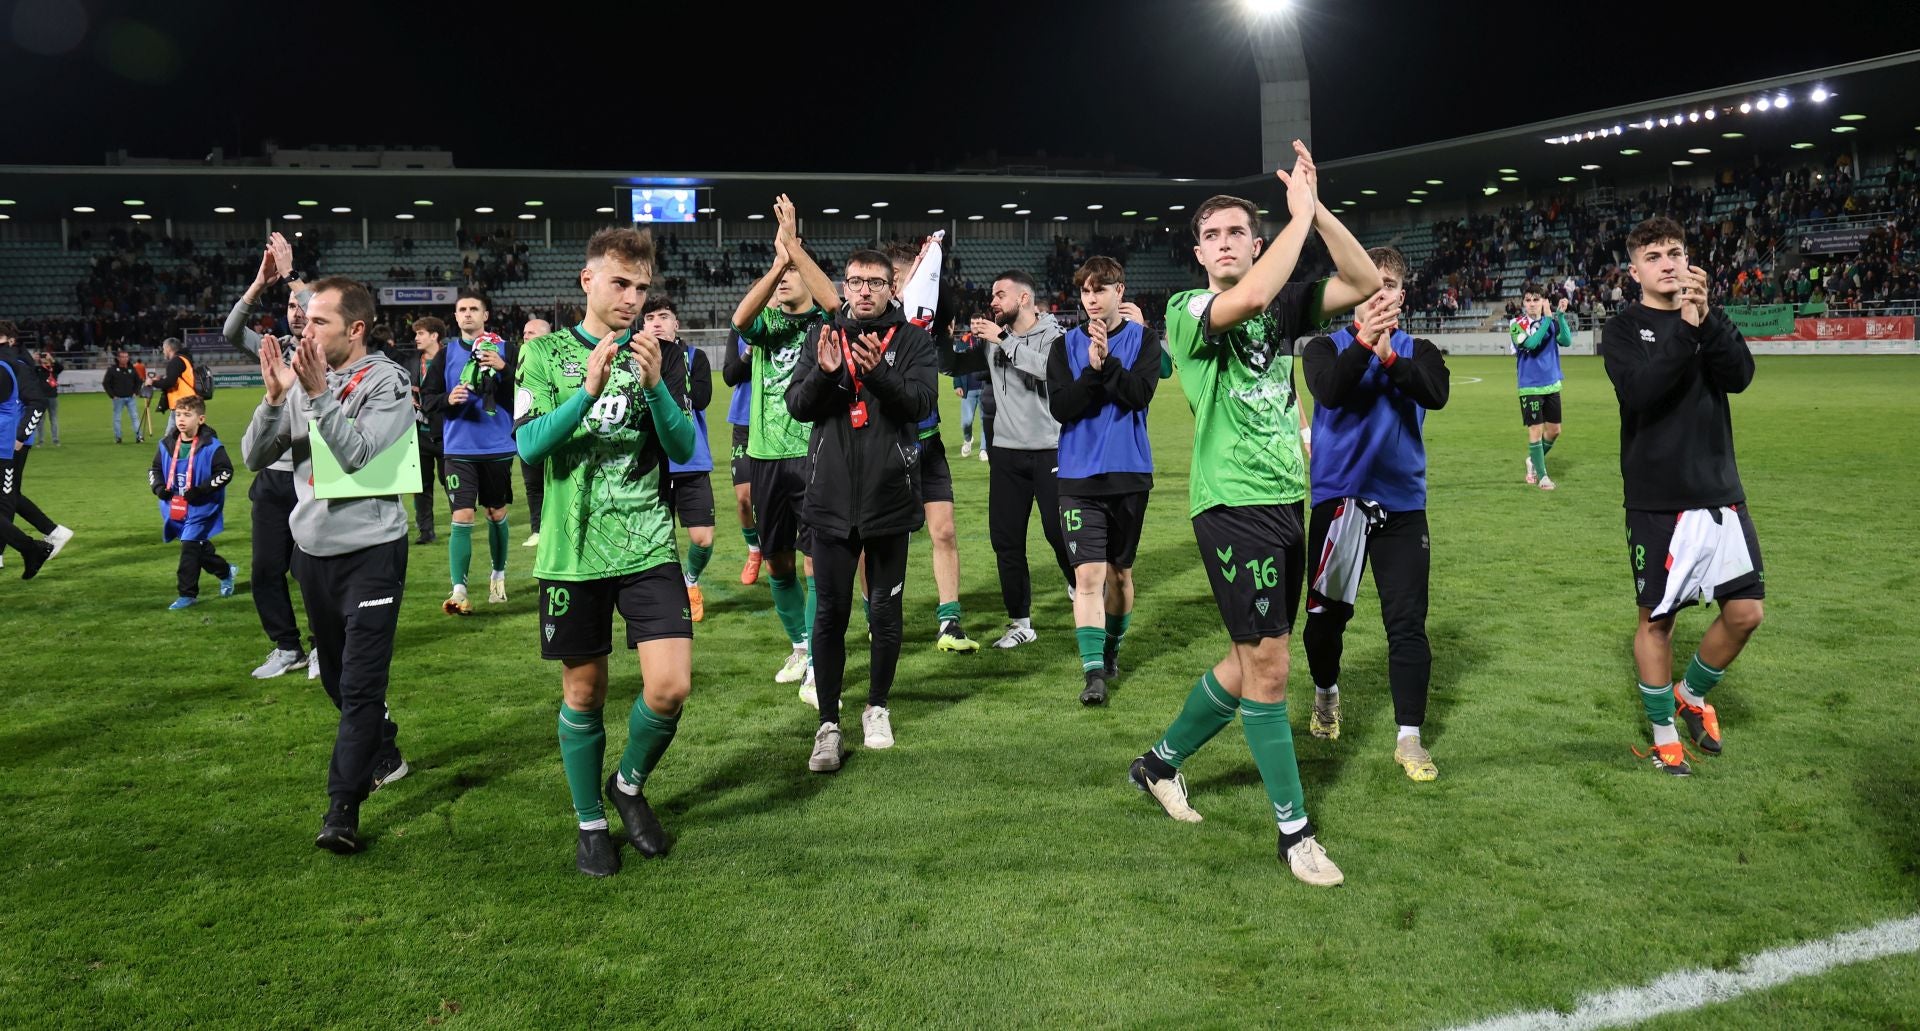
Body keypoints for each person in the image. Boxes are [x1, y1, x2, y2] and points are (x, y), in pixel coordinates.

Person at [1126, 141, 1381, 888]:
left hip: (1284, 499)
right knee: (1272, 666)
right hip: (1229, 502)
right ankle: (1294, 831)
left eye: (1238, 231)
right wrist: (1296, 224)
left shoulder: (1284, 296)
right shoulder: (1186, 309)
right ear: (1198, 251)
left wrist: (1317, 210)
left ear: (1256, 242)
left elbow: (1363, 280)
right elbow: (1248, 301)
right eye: (1213, 235)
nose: (1224, 243)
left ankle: (1158, 764)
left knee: (1248, 659)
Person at [513, 227, 695, 876]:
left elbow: (681, 447)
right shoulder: (544, 354)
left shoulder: (659, 352)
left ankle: (629, 783)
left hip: (647, 542)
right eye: (621, 283)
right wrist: (586, 395)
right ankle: (591, 819)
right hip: (573, 550)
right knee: (584, 692)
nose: (632, 298)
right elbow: (531, 447)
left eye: (642, 288)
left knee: (670, 686)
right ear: (587, 280)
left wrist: (654, 386)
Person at [242, 276, 415, 854]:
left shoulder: (388, 381)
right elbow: (253, 456)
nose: (303, 329)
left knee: (362, 685)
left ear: (356, 329)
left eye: (318, 322)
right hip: (311, 551)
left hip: (372, 551)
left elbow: (361, 456)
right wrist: (273, 400)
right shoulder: (300, 379)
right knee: (338, 679)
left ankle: (342, 811)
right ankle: (383, 749)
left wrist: (316, 395)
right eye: (304, 319)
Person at [1602, 216, 1764, 777]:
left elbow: (1741, 376)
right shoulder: (1623, 330)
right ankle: (1665, 735)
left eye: (1675, 251)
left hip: (1720, 491)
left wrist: (1707, 319)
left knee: (1745, 613)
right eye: (1654, 255)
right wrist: (1688, 331)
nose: (1668, 262)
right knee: (1658, 621)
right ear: (1635, 270)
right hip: (1657, 498)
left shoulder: (1707, 319)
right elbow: (1643, 392)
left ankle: (1691, 696)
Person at [1299, 247, 1451, 781]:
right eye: (1365, 284)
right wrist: (1366, 346)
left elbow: (1435, 393)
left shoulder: (1421, 350)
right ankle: (1326, 693)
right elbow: (1331, 392)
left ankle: (1409, 738)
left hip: (1403, 507)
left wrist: (1389, 357)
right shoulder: (1323, 348)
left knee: (1407, 624)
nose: (1376, 293)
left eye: (1385, 284)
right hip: (1339, 502)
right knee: (1324, 621)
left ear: (1400, 296)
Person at [787, 249, 936, 771]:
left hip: (888, 498)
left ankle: (877, 706)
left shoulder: (914, 341)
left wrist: (878, 377)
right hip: (827, 502)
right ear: (844, 288)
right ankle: (828, 723)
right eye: (855, 282)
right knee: (829, 614)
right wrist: (828, 376)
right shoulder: (821, 337)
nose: (865, 290)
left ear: (892, 288)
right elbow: (798, 407)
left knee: (884, 611)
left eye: (875, 281)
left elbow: (921, 406)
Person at [732, 195, 840, 686]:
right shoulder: (766, 325)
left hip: (816, 454)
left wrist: (794, 249)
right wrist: (778, 262)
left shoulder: (823, 323)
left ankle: (818, 659)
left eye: (790, 275)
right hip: (767, 458)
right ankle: (799, 643)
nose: (782, 284)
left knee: (817, 561)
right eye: (778, 279)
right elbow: (739, 319)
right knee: (777, 558)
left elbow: (834, 300)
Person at [1047, 256, 1161, 706]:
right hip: (1077, 475)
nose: (1092, 299)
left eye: (1102, 289)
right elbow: (1062, 408)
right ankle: (1093, 673)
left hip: (1129, 472)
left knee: (1120, 573)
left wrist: (1107, 365)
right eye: (1086, 291)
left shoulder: (1144, 340)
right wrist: (1093, 372)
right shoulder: (1064, 346)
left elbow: (1138, 395)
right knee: (1089, 573)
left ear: (1120, 291)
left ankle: (1111, 651)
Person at [961, 270, 1074, 649]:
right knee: (1006, 540)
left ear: (1023, 298)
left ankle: (1079, 588)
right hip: (1006, 452)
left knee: (1058, 534)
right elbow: (957, 368)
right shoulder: (994, 338)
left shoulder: (1055, 336)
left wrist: (1003, 339)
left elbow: (1049, 371)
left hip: (1050, 449)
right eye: (992, 295)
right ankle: (1020, 622)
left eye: (1000, 294)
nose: (993, 301)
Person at [224, 235, 316, 679]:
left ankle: (323, 645)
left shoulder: (329, 354)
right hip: (273, 480)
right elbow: (230, 331)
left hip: (313, 477)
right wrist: (259, 283)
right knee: (265, 569)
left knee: (310, 570)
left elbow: (320, 308)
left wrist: (294, 279)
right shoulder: (274, 346)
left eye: (304, 308)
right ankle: (287, 647)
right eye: (293, 308)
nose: (298, 314)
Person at [887, 238, 979, 653]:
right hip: (886, 447)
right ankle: (880, 616)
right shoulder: (870, 324)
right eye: (897, 280)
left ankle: (949, 621)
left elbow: (948, 364)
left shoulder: (927, 324)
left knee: (943, 531)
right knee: (880, 541)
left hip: (929, 442)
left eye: (908, 278)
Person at [423, 288, 517, 613]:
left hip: (497, 447)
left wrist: (504, 369)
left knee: (496, 513)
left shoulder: (507, 349)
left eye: (474, 309)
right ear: (456, 315)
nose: (467, 314)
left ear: (485, 315)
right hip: (459, 449)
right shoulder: (445, 355)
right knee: (461, 516)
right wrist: (447, 399)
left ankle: (498, 575)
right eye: (462, 309)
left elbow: (526, 393)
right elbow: (427, 399)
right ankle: (459, 590)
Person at [644, 298, 717, 622]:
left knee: (703, 537)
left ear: (676, 324)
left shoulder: (694, 357)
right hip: (650, 462)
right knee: (654, 539)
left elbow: (702, 398)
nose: (656, 322)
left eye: (664, 317)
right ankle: (664, 594)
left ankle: (690, 580)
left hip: (690, 459)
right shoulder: (633, 359)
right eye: (650, 318)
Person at [147, 394, 236, 609]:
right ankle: (225, 571)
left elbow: (225, 472)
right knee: (198, 547)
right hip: (175, 507)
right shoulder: (166, 444)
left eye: (187, 415)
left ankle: (187, 594)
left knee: (189, 547)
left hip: (201, 507)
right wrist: (158, 488)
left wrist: (201, 490)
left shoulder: (212, 446)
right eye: (178, 414)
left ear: (201, 419)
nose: (181, 419)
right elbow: (155, 469)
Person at [0, 324, 71, 574]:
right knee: (9, 495)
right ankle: (49, 535)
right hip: (8, 439)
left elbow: (37, 402)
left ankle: (38, 541)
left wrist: (21, 436)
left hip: (10, 440)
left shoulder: (15, 362)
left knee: (8, 496)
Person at [1508, 285, 1573, 490]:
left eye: (1536, 300)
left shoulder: (1550, 323)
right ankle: (1543, 476)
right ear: (1523, 303)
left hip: (1552, 383)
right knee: (1535, 431)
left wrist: (1560, 317)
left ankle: (1533, 461)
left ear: (1543, 301)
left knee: (1554, 431)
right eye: (1528, 300)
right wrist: (1547, 319)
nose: (1532, 304)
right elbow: (1532, 344)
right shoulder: (1516, 324)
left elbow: (1566, 341)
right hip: (1530, 387)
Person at [719, 328, 764, 584]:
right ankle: (754, 550)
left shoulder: (791, 327)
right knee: (744, 499)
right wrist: (749, 350)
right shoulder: (740, 330)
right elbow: (729, 375)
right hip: (745, 424)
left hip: (777, 423)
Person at [408, 316, 450, 547]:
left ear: (434, 336)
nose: (416, 338)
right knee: (421, 485)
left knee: (450, 481)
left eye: (420, 334)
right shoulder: (414, 362)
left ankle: (459, 523)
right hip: (419, 432)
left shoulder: (451, 359)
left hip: (445, 432)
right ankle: (425, 530)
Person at [518, 318, 552, 549]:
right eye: (524, 332)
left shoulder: (555, 359)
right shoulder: (519, 358)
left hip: (551, 429)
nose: (526, 336)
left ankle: (555, 527)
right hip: (528, 428)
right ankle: (537, 529)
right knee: (533, 484)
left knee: (555, 481)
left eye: (531, 333)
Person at [105, 350, 144, 444]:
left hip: (131, 397)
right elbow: (106, 383)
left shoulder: (132, 369)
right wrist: (112, 395)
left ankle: (139, 437)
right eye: (122, 357)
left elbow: (138, 381)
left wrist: (136, 392)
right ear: (118, 358)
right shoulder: (112, 370)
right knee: (117, 418)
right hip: (118, 398)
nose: (125, 359)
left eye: (126, 357)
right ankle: (118, 437)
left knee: (135, 417)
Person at [158, 337, 198, 414]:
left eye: (163, 348)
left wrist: (153, 382)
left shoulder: (176, 361)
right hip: (185, 401)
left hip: (183, 403)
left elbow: (169, 382)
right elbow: (176, 379)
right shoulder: (183, 359)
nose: (163, 351)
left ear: (168, 348)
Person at [954, 366, 983, 457]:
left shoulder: (985, 351)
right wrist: (957, 385)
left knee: (985, 422)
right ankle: (968, 440)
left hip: (985, 389)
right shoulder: (962, 351)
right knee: (966, 422)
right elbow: (957, 365)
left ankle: (984, 449)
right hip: (968, 390)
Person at [36, 351, 63, 446]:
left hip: (52, 397)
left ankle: (55, 439)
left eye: (45, 356)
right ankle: (41, 440)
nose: (44, 358)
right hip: (41, 398)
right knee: (40, 420)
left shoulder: (54, 369)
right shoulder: (38, 369)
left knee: (53, 419)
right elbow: (28, 369)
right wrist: (35, 359)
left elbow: (61, 367)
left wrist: (51, 359)